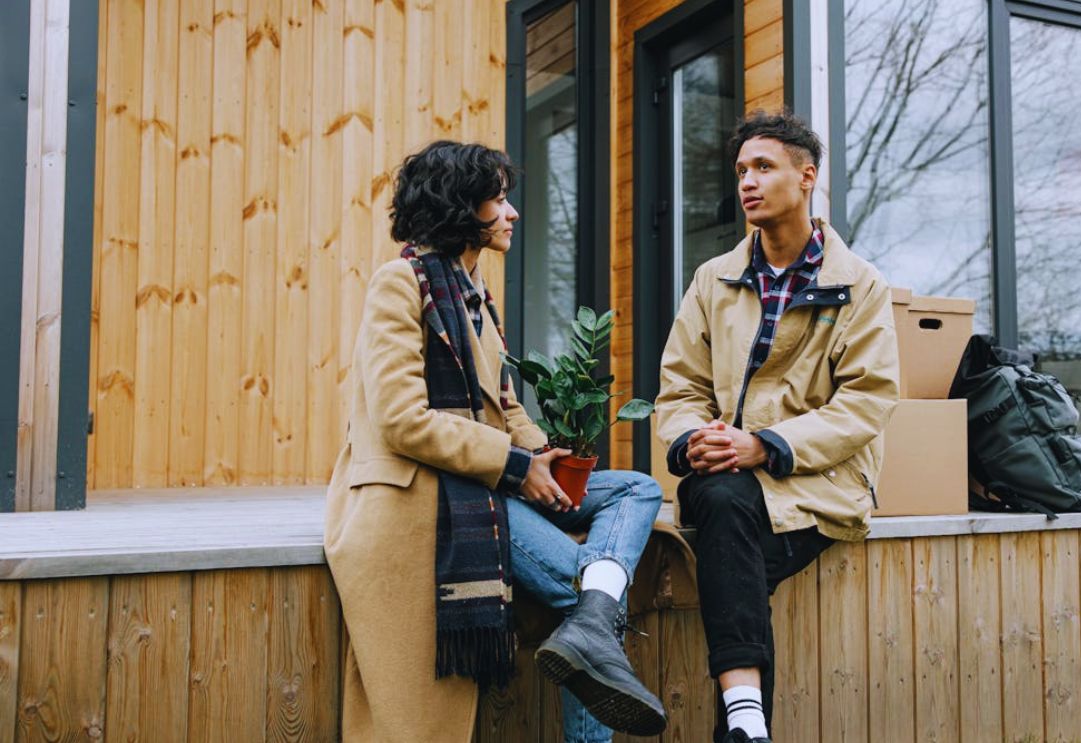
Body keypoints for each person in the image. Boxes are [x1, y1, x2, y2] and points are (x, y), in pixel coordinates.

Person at [324, 140, 667, 743]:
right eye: (499, 200)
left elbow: (504, 405)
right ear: (462, 209)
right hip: (430, 495)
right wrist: (514, 467)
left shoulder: (473, 294)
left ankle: (593, 617)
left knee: (635, 488)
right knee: (589, 597)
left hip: (487, 481)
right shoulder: (400, 285)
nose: (511, 214)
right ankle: (595, 616)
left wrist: (541, 456)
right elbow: (403, 420)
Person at [654, 110, 900, 743]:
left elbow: (867, 401)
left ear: (807, 176)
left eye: (763, 167)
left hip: (819, 482)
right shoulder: (714, 278)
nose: (747, 182)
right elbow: (680, 386)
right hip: (725, 476)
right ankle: (748, 724)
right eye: (741, 170)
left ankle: (742, 719)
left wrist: (764, 444)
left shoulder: (859, 284)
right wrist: (694, 439)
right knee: (722, 499)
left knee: (726, 544)